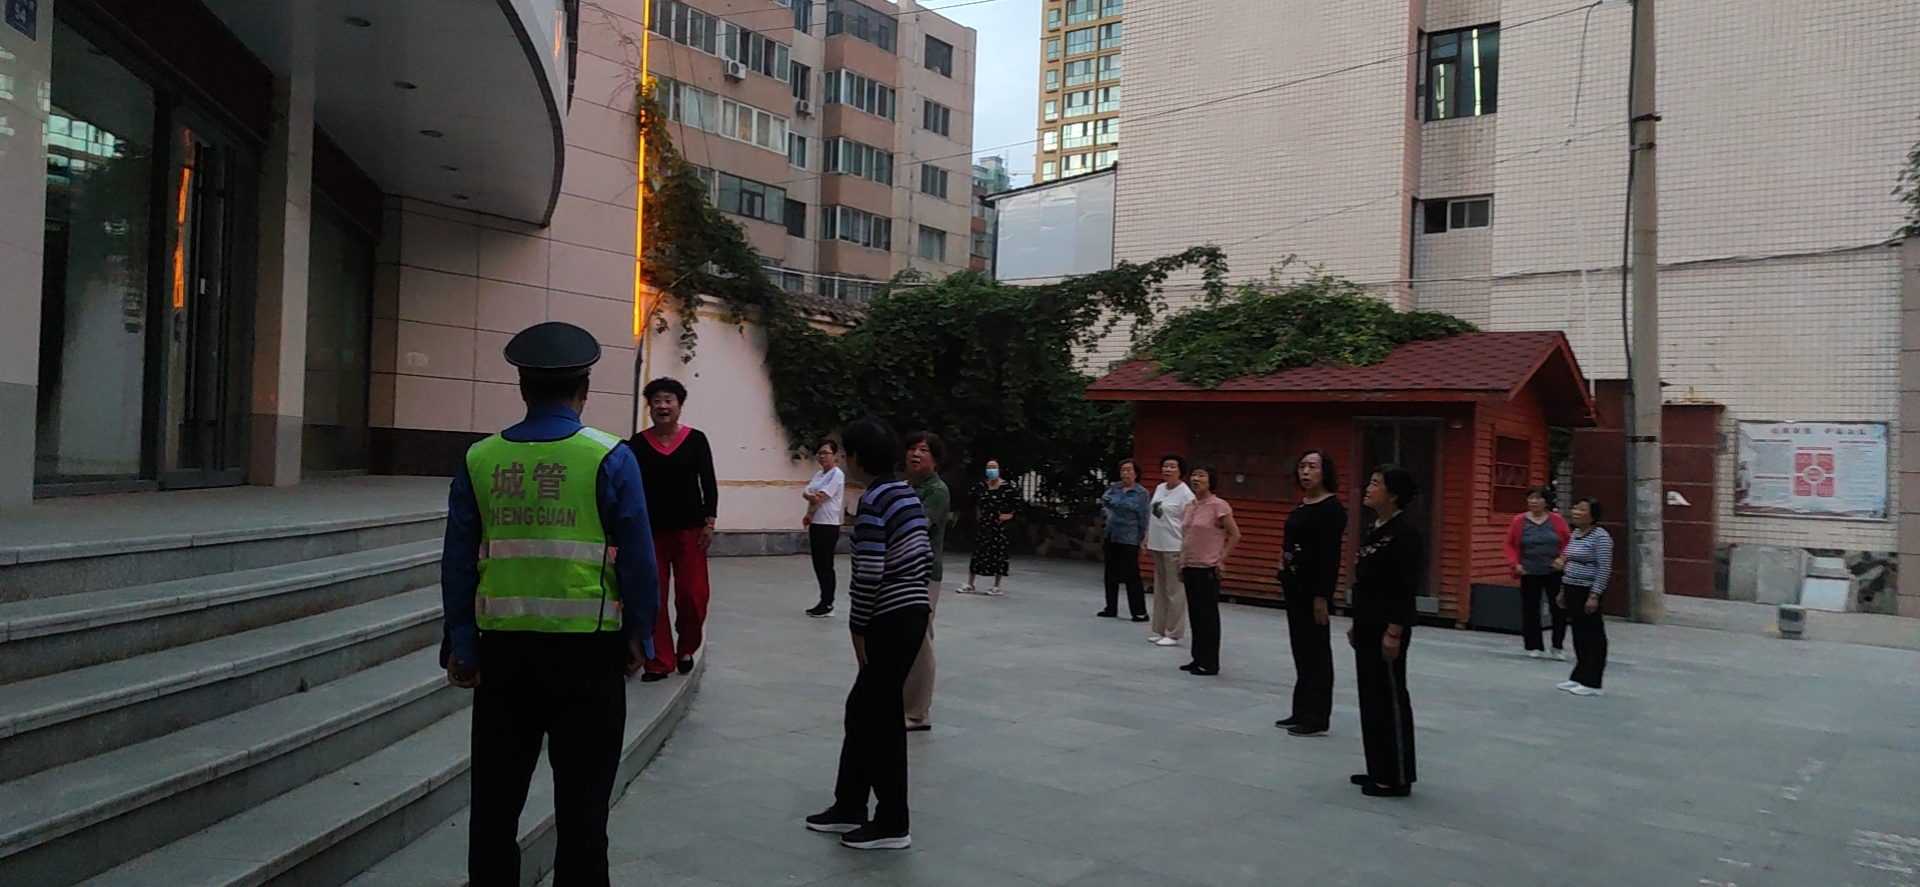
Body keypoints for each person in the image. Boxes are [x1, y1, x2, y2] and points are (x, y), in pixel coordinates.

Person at [440, 321, 660, 887]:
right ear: (584, 388)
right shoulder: (611, 457)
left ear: (522, 388)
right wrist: (641, 634)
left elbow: (458, 560)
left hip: (504, 657)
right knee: (584, 809)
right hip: (588, 657)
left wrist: (462, 643)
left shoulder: (481, 459)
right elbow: (639, 559)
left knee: (495, 804)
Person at [805, 416, 932, 850]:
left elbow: (870, 572)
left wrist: (858, 628)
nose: (844, 460)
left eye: (845, 453)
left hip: (890, 617)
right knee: (864, 710)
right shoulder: (904, 493)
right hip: (910, 611)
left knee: (879, 718)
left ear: (857, 458)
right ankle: (850, 805)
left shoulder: (876, 500)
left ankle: (893, 822)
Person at [628, 377, 719, 682]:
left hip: (690, 531)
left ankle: (686, 648)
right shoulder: (637, 444)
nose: (662, 406)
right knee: (653, 597)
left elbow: (708, 482)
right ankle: (659, 661)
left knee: (693, 596)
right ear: (649, 407)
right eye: (656, 401)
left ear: (680, 406)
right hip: (650, 532)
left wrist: (710, 522)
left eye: (669, 400)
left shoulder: (696, 440)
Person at [1347, 466, 1422, 798]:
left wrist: (1395, 629)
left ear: (1392, 495)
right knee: (1371, 696)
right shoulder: (1374, 528)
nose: (1368, 488)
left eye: (1376, 484)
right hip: (1367, 621)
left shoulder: (1405, 533)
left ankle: (1397, 776)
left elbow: (1405, 587)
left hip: (1388, 626)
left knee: (1389, 697)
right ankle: (1378, 767)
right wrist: (1357, 622)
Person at [1276, 449, 1347, 737]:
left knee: (1316, 650)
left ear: (1324, 472)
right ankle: (1301, 708)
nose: (1305, 471)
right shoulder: (1304, 504)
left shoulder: (1331, 509)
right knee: (1301, 648)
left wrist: (1322, 596)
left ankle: (1317, 715)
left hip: (1314, 588)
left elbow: (1329, 556)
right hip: (1294, 584)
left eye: (1312, 466)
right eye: (1302, 466)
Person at [902, 431, 950, 731]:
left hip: (924, 571)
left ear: (935, 459)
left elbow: (916, 525)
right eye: (912, 448)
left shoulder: (937, 490)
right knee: (902, 638)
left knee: (920, 638)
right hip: (901, 570)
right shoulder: (904, 486)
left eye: (923, 450)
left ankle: (918, 712)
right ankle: (902, 703)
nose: (916, 454)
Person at [1177, 464, 1240, 677]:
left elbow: (1235, 534)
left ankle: (1210, 662)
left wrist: (1222, 559)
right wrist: (1181, 563)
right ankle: (1197, 657)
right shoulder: (1189, 506)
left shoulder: (1218, 506)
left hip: (1207, 567)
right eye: (1194, 475)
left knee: (1208, 616)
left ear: (1210, 480)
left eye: (1201, 476)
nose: (1196, 479)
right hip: (1189, 565)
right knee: (1195, 614)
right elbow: (1186, 537)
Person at [1555, 497, 1615, 697]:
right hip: (1571, 586)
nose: (1576, 513)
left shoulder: (1601, 537)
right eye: (1575, 509)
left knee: (1592, 635)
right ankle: (1579, 675)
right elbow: (1569, 562)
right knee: (1578, 633)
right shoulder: (1575, 534)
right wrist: (1562, 590)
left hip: (1587, 589)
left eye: (1582, 510)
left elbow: (1604, 568)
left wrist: (1594, 595)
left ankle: (1593, 681)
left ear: (1593, 514)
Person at [1503, 485, 1571, 659]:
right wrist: (1514, 564)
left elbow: (1568, 542)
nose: (1534, 502)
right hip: (1529, 569)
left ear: (1546, 502)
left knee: (1559, 608)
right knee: (1531, 609)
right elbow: (1509, 543)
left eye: (1538, 498)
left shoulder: (1556, 520)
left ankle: (1557, 646)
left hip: (1553, 570)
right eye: (1531, 498)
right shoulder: (1519, 521)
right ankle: (1534, 645)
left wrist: (1562, 558)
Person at [1146, 455, 1195, 648]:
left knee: (1174, 591)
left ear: (1180, 470)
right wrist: (1147, 538)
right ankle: (1159, 629)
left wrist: (1186, 548)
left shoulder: (1185, 494)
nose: (1168, 469)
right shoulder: (1160, 488)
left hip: (1174, 546)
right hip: (1157, 544)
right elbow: (1152, 516)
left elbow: (1189, 523)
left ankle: (1173, 633)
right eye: (1165, 466)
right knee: (1160, 590)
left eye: (1173, 466)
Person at [1097, 458, 1153, 621]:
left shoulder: (1141, 493)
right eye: (1123, 470)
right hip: (1111, 533)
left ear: (1136, 473)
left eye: (1129, 470)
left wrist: (1142, 537)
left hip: (1129, 536)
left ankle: (1138, 611)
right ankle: (1110, 607)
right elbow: (1105, 501)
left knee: (1131, 574)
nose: (1125, 473)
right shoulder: (1115, 487)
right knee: (1110, 573)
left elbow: (1143, 516)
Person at [959, 460, 1019, 595]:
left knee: (998, 554)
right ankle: (970, 583)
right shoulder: (981, 487)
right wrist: (977, 513)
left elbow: (1017, 503)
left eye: (994, 467)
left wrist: (1010, 514)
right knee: (977, 553)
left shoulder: (1007, 488)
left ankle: (996, 585)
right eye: (989, 468)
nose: (991, 470)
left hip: (998, 526)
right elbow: (971, 500)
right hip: (984, 524)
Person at [804, 440, 847, 618]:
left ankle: (828, 603)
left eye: (826, 453)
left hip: (828, 525)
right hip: (816, 522)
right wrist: (809, 507)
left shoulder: (836, 474)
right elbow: (807, 492)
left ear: (834, 455)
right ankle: (823, 600)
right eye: (820, 453)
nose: (822, 456)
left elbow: (819, 497)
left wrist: (810, 500)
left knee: (826, 565)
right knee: (818, 564)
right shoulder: (819, 474)